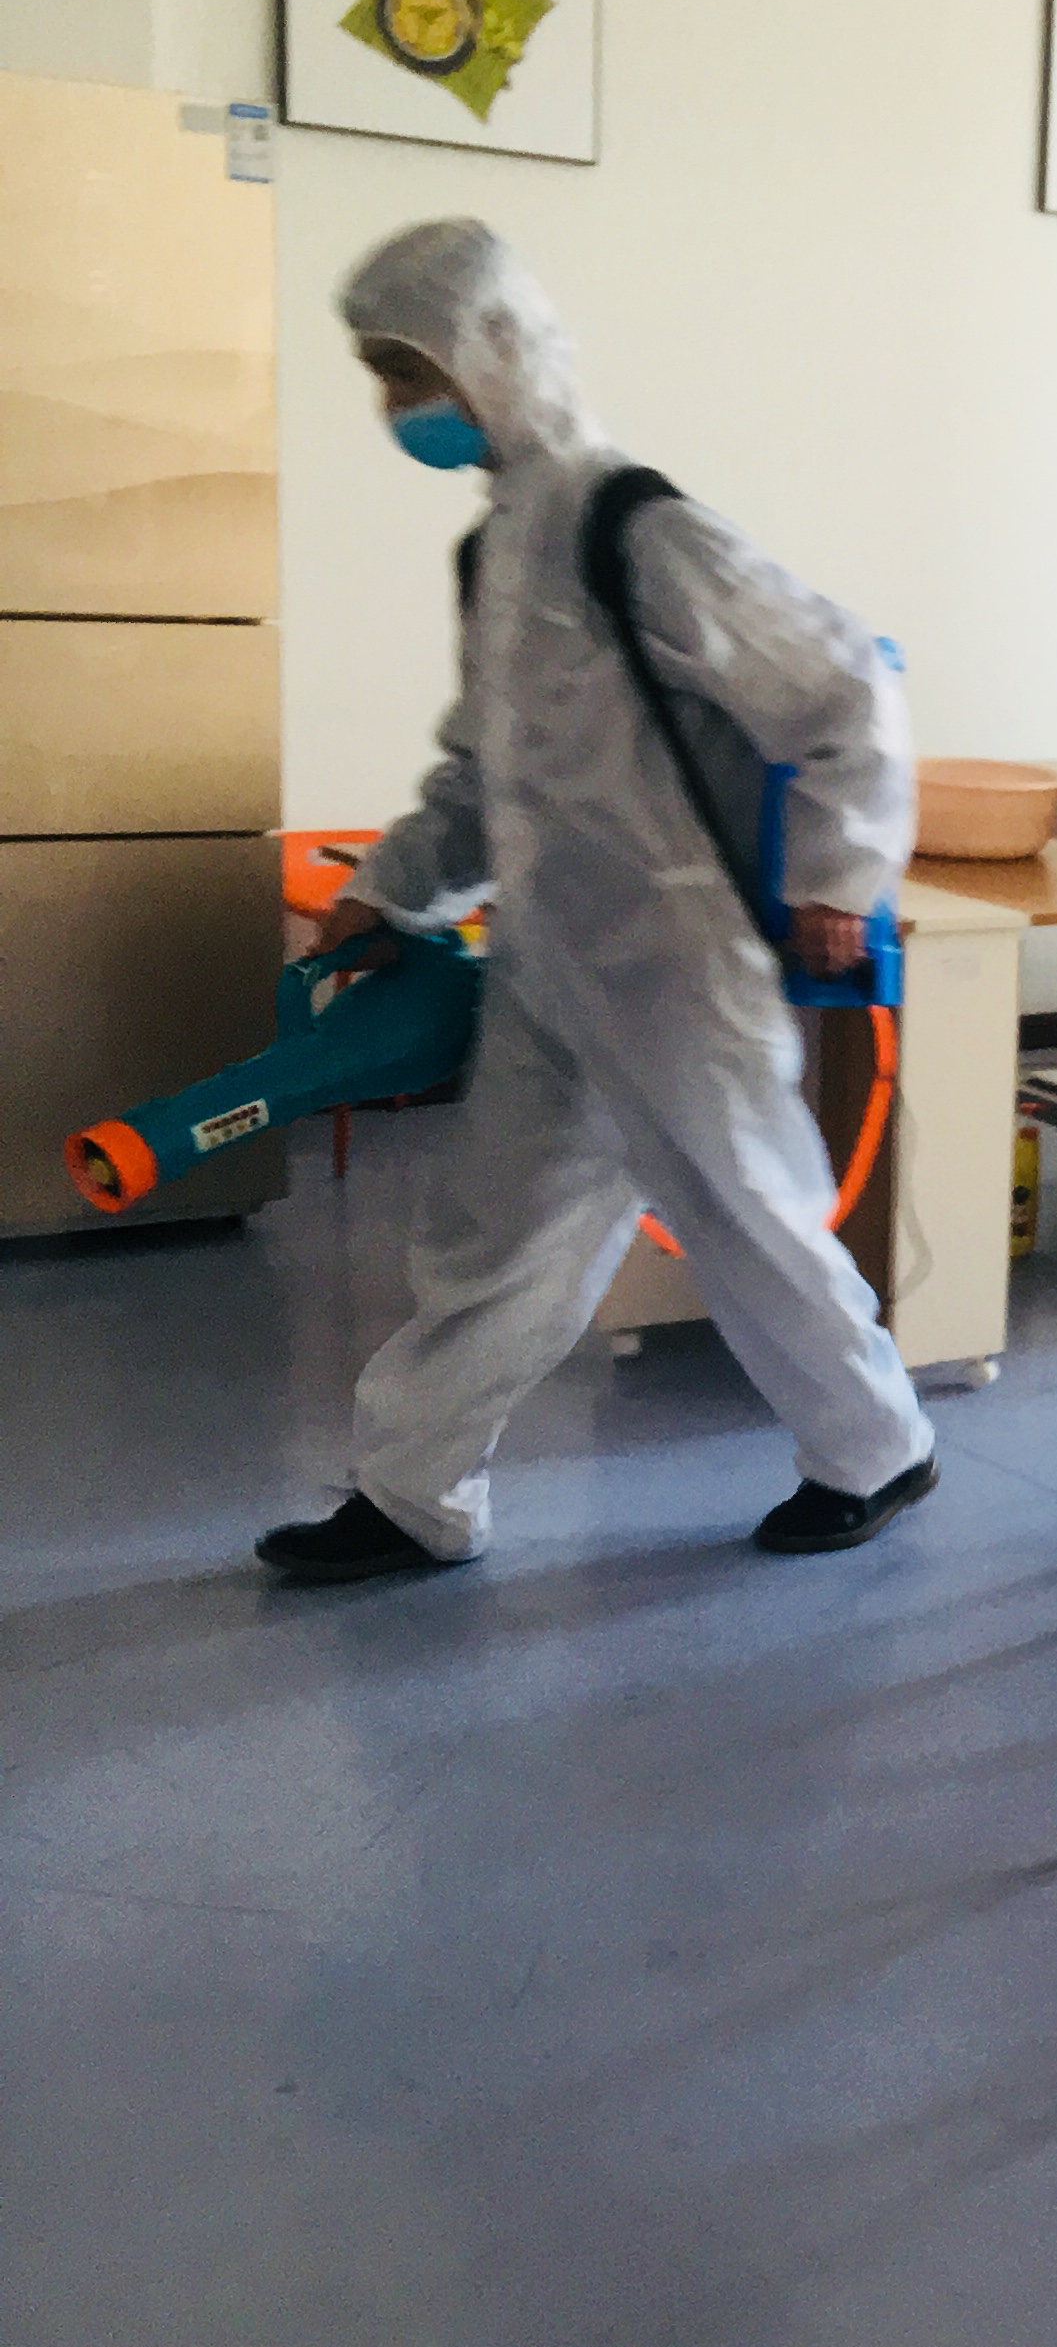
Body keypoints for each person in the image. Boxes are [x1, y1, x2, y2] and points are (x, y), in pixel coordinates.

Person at [257, 219, 939, 1584]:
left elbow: (843, 688)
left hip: (680, 958)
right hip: (550, 961)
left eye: (415, 372)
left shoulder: (641, 530)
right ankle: (414, 1496)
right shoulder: (491, 557)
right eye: (385, 378)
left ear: (497, 350)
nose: (400, 407)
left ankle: (876, 1449)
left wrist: (834, 877)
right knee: (493, 1236)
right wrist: (391, 891)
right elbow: (486, 776)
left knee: (747, 1219)